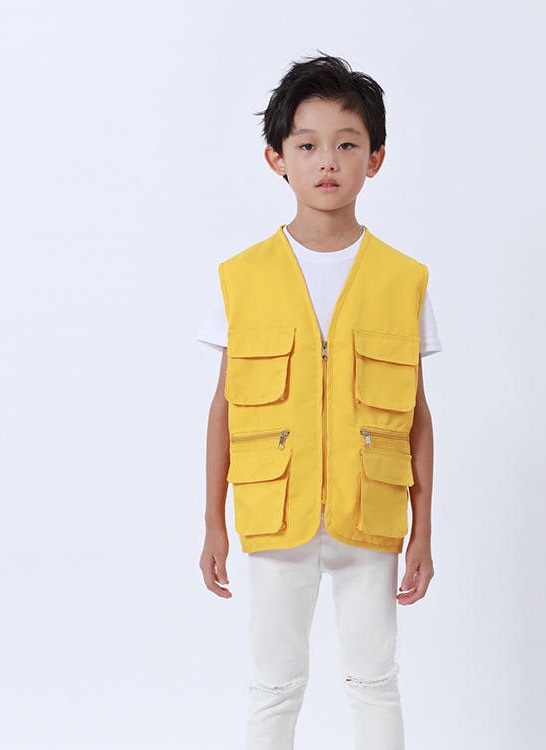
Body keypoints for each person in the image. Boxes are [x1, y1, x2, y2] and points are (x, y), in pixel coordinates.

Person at [196, 52, 442, 750]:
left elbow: (418, 416)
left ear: (375, 159)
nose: (327, 161)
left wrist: (423, 531)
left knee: (374, 680)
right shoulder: (242, 277)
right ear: (277, 158)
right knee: (274, 685)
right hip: (276, 514)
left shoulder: (403, 279)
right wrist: (213, 522)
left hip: (372, 512)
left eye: (347, 144)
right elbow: (223, 408)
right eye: (307, 145)